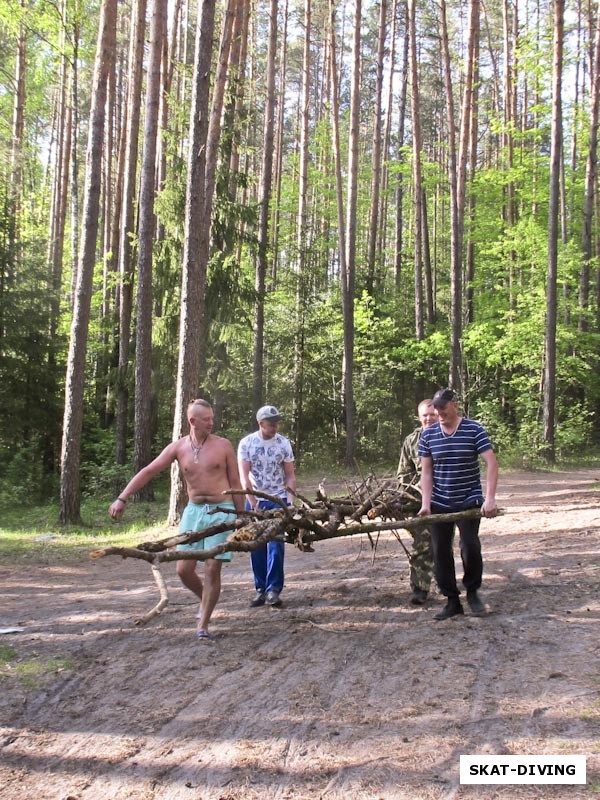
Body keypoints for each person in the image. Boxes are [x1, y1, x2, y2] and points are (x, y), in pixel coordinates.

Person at [109, 399, 244, 639]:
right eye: (207, 419)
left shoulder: (223, 446)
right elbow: (149, 470)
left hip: (222, 509)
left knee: (213, 567)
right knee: (183, 570)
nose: (212, 423)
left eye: (212, 418)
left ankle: (203, 625)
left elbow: (235, 482)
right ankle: (205, 599)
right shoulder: (178, 447)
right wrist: (122, 498)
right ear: (193, 421)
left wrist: (241, 516)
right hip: (193, 512)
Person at [418, 388, 499, 621]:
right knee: (441, 551)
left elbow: (491, 463)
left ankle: (473, 593)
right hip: (440, 501)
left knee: (470, 546)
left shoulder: (474, 429)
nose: (438, 412)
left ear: (454, 404)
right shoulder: (429, 435)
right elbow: (426, 471)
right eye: (436, 407)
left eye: (443, 407)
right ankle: (452, 601)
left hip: (468, 499)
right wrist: (426, 503)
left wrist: (490, 498)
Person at [237, 405, 296, 608]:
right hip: (255, 498)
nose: (275, 427)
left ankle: (273, 590)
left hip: (278, 499)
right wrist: (253, 503)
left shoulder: (284, 443)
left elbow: (289, 475)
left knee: (276, 545)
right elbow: (244, 476)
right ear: (261, 423)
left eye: (277, 423)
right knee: (257, 546)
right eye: (271, 424)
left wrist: (290, 502)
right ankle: (260, 589)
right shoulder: (247, 443)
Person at [396, 399, 437, 606]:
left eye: (432, 415)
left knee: (444, 544)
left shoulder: (448, 434)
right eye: (425, 416)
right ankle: (420, 588)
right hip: (421, 501)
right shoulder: (411, 441)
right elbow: (404, 474)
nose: (429, 419)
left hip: (449, 498)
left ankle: (445, 579)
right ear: (419, 418)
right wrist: (409, 497)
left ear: (438, 414)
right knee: (422, 543)